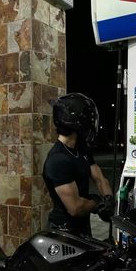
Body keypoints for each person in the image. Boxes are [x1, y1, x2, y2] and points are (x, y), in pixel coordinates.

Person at [42, 92, 115, 237]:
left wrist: (108, 199)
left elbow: (99, 178)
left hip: (82, 225)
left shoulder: (81, 149)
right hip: (64, 231)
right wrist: (97, 202)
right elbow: (75, 208)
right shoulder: (58, 160)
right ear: (78, 123)